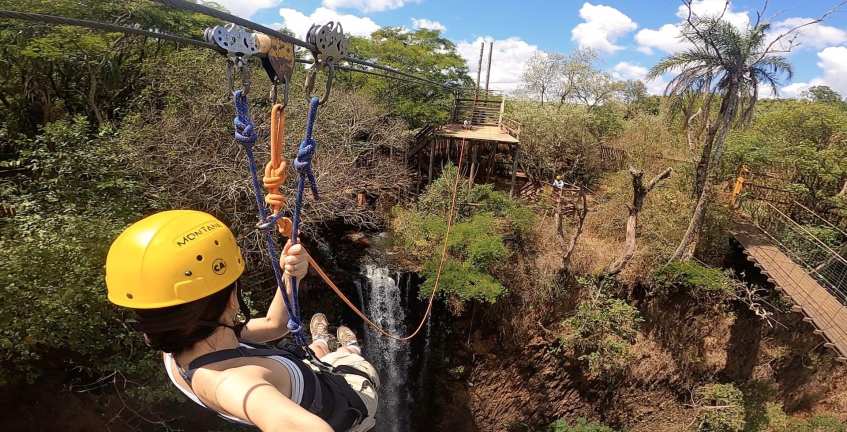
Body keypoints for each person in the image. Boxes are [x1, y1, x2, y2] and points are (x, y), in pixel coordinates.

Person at [105, 210, 379, 432]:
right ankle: (349, 347)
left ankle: (320, 342)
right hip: (354, 400)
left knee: (317, 353)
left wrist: (290, 277)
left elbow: (275, 325)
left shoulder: (183, 341)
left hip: (310, 380)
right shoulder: (228, 383)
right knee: (346, 357)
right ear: (232, 299)